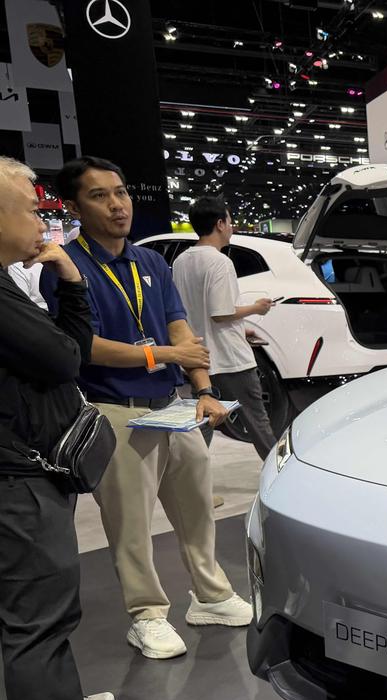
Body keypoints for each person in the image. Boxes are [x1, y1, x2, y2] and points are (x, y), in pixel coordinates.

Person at [40, 157, 252, 660]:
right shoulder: (67, 267)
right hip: (113, 409)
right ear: (74, 208)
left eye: (121, 192)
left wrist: (203, 389)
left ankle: (210, 595)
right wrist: (165, 355)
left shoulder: (151, 263)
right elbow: (84, 346)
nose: (117, 205)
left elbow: (180, 328)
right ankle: (147, 615)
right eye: (99, 196)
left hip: (172, 406)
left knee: (196, 506)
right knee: (130, 522)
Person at [0, 156, 136, 700]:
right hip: (18, 477)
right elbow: (64, 356)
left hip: (23, 471)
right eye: (32, 210)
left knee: (30, 608)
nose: (43, 223)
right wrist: (75, 284)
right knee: (39, 609)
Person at [171, 196, 277, 460]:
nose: (231, 227)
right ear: (219, 224)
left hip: (200, 361)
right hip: (231, 360)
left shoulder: (182, 261)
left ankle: (194, 479)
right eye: (229, 221)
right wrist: (256, 308)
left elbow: (193, 311)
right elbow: (220, 313)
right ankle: (281, 475)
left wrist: (241, 329)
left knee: (203, 425)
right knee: (259, 425)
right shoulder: (220, 262)